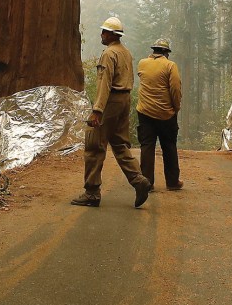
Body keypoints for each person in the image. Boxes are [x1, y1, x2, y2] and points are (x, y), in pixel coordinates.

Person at [71, 16, 152, 208]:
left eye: (104, 32)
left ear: (112, 34)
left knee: (94, 146)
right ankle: (139, 180)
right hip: (124, 101)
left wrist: (97, 110)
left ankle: (91, 193)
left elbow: (104, 83)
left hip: (111, 101)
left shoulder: (109, 54)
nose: (102, 34)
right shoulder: (126, 52)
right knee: (120, 144)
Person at [137, 37, 183, 191]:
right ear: (166, 52)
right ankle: (172, 182)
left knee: (147, 146)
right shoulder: (170, 66)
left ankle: (147, 183)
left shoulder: (142, 63)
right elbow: (175, 90)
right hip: (166, 114)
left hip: (144, 112)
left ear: (154, 50)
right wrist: (176, 108)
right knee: (169, 146)